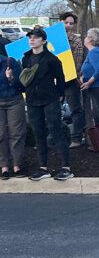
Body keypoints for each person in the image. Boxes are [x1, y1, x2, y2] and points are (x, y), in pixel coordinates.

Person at [21, 26, 72, 180]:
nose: (31, 39)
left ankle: (66, 168)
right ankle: (43, 168)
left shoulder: (52, 59)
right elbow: (25, 78)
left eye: (35, 37)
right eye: (30, 37)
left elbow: (61, 78)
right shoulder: (26, 58)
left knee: (56, 131)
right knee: (38, 133)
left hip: (50, 99)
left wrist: (60, 94)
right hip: (32, 100)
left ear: (43, 41)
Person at [0, 47, 27, 178]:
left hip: (14, 100)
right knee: (1, 134)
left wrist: (10, 78)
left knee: (16, 133)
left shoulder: (10, 62)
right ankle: (4, 166)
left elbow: (21, 85)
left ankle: (17, 165)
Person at [61, 12, 86, 147]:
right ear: (61, 22)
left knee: (75, 109)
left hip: (70, 80)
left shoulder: (76, 41)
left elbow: (78, 62)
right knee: (52, 110)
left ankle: (76, 138)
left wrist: (76, 77)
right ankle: (54, 138)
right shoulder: (50, 38)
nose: (68, 26)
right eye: (66, 23)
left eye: (71, 23)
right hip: (55, 80)